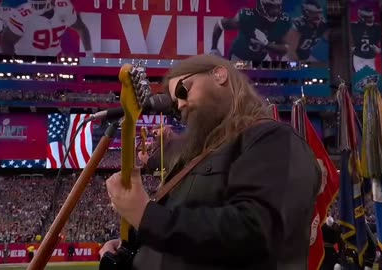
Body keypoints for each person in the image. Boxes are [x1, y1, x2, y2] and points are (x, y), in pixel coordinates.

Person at [100, 55, 321, 269]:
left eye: (182, 91)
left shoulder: (273, 139)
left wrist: (146, 216)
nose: (181, 104)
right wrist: (135, 247)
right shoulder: (200, 153)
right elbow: (184, 236)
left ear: (219, 75)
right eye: (176, 103)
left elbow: (256, 231)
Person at [210, 0, 292, 61]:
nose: (275, 11)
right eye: (270, 6)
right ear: (261, 5)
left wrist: (266, 43)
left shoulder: (283, 20)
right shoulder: (248, 17)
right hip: (240, 59)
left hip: (262, 59)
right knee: (239, 80)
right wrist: (214, 49)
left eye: (277, 6)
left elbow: (285, 49)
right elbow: (220, 24)